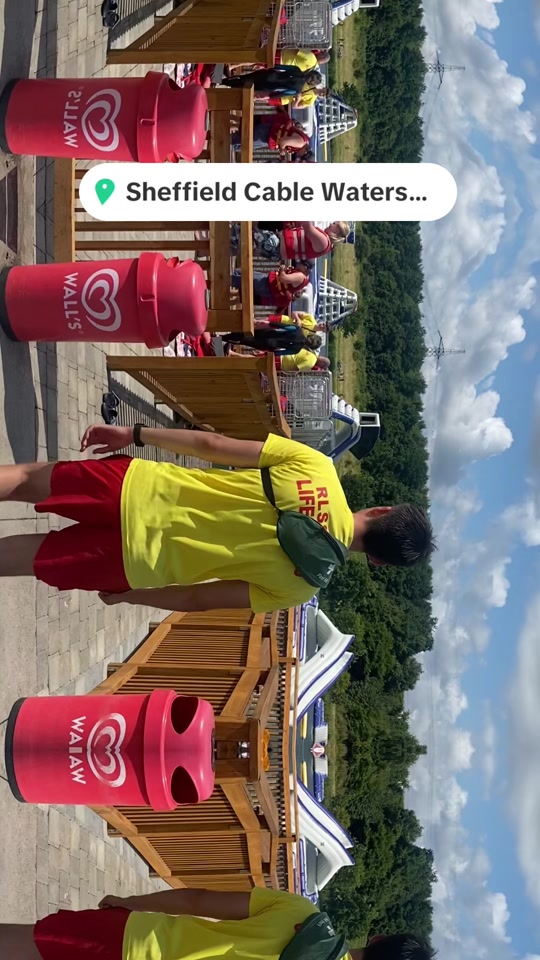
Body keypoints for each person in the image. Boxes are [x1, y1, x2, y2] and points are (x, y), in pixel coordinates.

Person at [0, 425, 435, 613]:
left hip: (139, 487)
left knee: (23, 480)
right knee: (30, 557)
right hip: (136, 562)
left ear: (381, 511)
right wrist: (131, 597)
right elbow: (198, 599)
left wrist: (133, 433)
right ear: (378, 561)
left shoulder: (317, 467)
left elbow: (213, 444)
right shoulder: (301, 587)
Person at [0, 884, 437, 960]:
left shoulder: (301, 913)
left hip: (139, 942)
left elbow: (197, 900)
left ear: (377, 938)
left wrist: (128, 901)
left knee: (20, 945)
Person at [253, 221, 351, 262]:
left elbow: (307, 227)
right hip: (276, 243)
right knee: (247, 237)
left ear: (337, 230)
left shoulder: (324, 242)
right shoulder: (325, 243)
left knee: (246, 234)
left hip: (275, 245)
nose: (331, 223)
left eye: (334, 223)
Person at [223, 65, 323, 103]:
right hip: (268, 86)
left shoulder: (297, 69)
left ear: (310, 72)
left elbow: (278, 67)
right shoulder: (298, 90)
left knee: (244, 78)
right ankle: (223, 83)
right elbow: (282, 93)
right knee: (243, 85)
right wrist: (268, 97)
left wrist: (265, 67)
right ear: (311, 83)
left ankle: (223, 80)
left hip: (268, 75)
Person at [231, 264, 311, 310]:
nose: (300, 264)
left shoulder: (301, 276)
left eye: (303, 264)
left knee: (241, 281)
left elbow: (283, 278)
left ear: (306, 268)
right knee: (241, 273)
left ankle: (224, 280)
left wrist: (282, 270)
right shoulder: (298, 275)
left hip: (267, 285)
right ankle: (227, 276)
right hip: (268, 282)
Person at [232, 111, 310, 157]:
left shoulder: (303, 140)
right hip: (267, 135)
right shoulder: (300, 143)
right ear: (305, 151)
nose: (299, 155)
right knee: (239, 142)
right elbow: (283, 141)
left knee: (240, 142)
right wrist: (282, 150)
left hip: (268, 134)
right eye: (302, 155)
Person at [222, 320, 322, 356]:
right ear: (310, 347)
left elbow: (282, 326)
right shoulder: (296, 350)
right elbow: (279, 353)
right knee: (244, 341)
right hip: (270, 345)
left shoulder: (298, 330)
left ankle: (223, 337)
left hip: (269, 333)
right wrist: (265, 353)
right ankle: (224, 339)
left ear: (311, 335)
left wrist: (268, 323)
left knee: (245, 334)